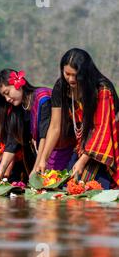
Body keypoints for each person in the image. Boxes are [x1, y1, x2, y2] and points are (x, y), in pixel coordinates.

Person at [36, 48, 119, 188]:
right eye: (67, 74)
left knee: (90, 187)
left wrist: (82, 161)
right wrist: (43, 159)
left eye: (76, 75)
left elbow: (102, 129)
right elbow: (55, 126)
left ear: (85, 74)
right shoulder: (61, 86)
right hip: (83, 144)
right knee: (68, 185)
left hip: (105, 143)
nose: (71, 79)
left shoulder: (102, 89)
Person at [0, 69, 54, 184]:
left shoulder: (42, 99)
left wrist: (36, 167)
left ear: (18, 83)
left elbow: (44, 136)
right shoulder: (19, 108)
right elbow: (11, 143)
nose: (7, 99)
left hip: (55, 150)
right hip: (41, 154)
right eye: (4, 97)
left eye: (7, 93)